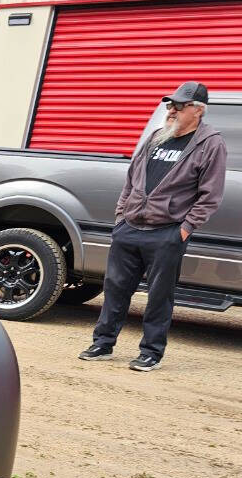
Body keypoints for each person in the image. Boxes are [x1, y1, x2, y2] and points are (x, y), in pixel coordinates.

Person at [78, 81, 227, 371]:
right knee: (115, 289)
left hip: (167, 232)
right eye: (170, 105)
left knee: (159, 296)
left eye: (179, 106)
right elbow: (131, 179)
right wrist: (121, 217)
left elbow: (211, 196)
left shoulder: (210, 144)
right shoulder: (158, 136)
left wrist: (184, 229)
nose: (171, 110)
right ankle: (103, 343)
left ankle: (151, 352)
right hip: (130, 227)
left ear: (198, 110)